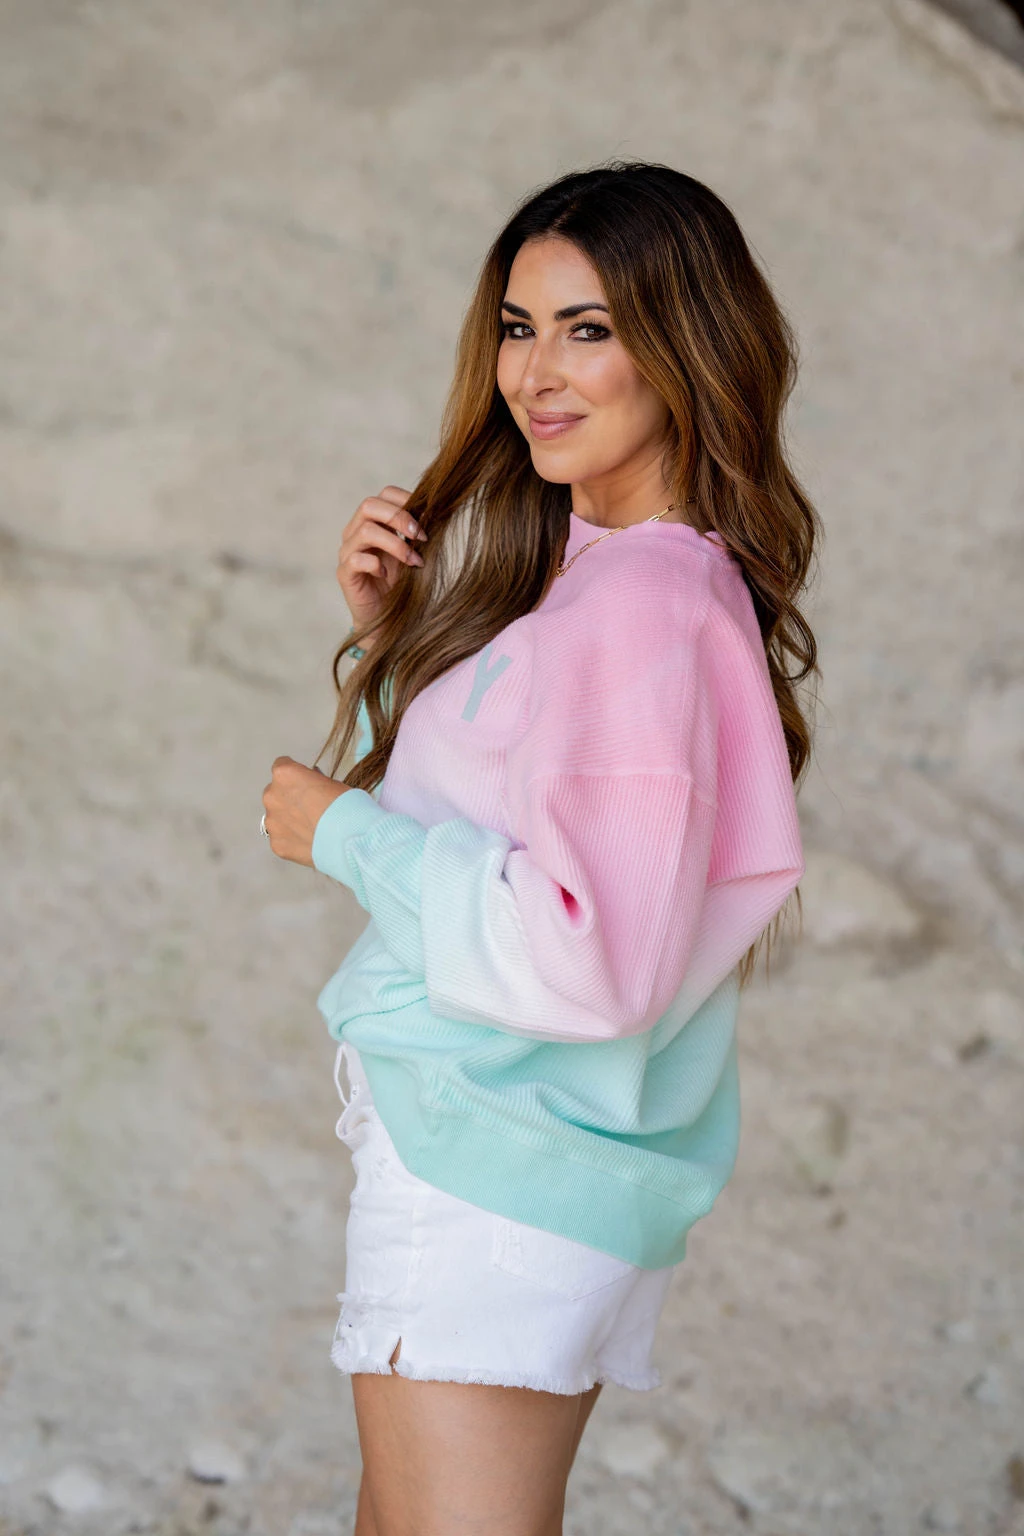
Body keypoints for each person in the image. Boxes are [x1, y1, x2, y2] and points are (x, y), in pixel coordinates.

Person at [261, 160, 820, 1536]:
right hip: (497, 1162)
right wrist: (398, 648)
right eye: (519, 327)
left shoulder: (645, 604)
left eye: (589, 328)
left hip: (497, 1174)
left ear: (684, 345)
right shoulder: (605, 580)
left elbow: (588, 958)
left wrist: (346, 837)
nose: (536, 372)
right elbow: (513, 811)